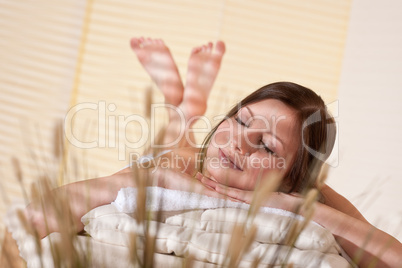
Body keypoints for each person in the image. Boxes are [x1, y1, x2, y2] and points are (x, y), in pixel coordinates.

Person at [22, 38, 402, 268]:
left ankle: (183, 103)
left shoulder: (308, 195)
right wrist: (157, 178)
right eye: (239, 120)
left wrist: (297, 207)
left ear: (293, 179)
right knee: (176, 151)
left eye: (266, 146)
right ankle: (186, 107)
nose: (238, 142)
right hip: (187, 162)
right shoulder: (180, 169)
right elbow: (41, 213)